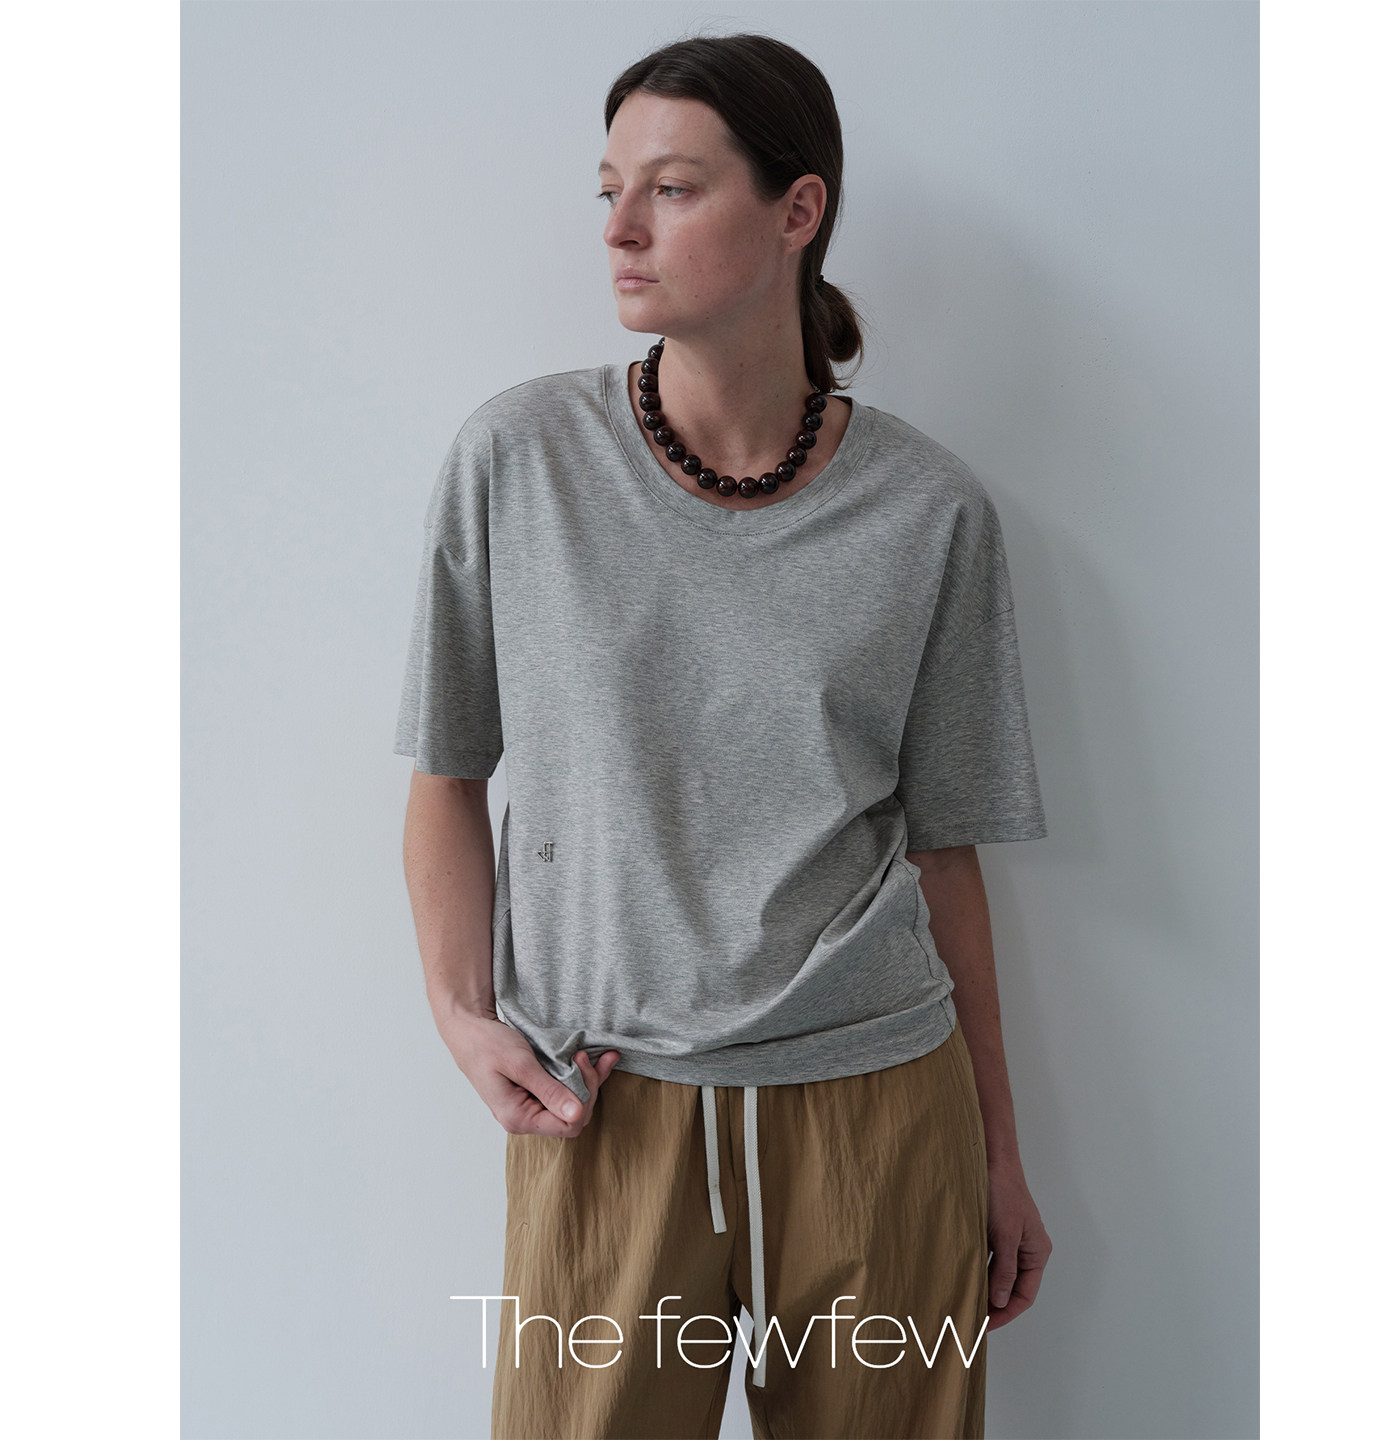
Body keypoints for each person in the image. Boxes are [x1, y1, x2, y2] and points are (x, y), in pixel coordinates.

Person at [396, 32, 1052, 1440]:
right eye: (610, 189)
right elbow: (447, 776)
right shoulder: (519, 462)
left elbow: (948, 855)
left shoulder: (930, 512)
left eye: (674, 188)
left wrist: (1000, 1155)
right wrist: (461, 1019)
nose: (621, 228)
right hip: (606, 1107)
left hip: (877, 1109)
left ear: (797, 210)